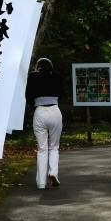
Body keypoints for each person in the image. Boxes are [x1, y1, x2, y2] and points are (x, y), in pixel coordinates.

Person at [25, 57, 63, 189]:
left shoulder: (33, 77)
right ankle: (53, 172)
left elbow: (28, 96)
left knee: (42, 148)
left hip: (39, 111)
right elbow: (62, 93)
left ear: (37, 67)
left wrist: (34, 106)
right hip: (55, 109)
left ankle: (41, 183)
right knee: (54, 147)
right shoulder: (57, 76)